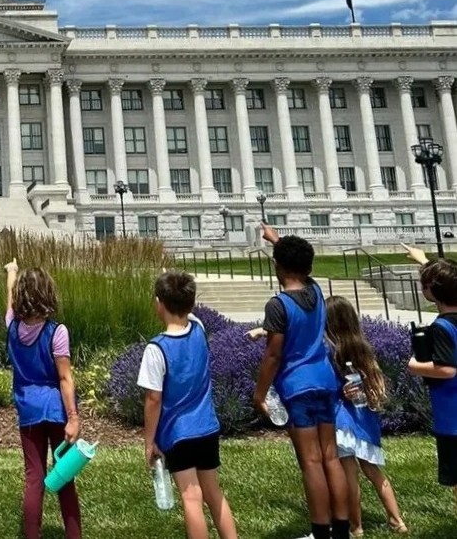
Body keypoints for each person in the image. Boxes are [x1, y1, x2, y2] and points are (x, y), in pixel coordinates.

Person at [254, 225, 349, 539]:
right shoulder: (317, 290)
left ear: (277, 266)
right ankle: (341, 529)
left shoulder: (279, 305)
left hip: (298, 387)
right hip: (325, 381)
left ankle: (320, 531)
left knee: (310, 462)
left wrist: (260, 393)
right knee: (331, 456)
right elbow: (296, 261)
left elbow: (273, 355)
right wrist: (277, 240)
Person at [139, 270, 237, 539]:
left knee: (191, 498)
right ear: (191, 303)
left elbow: (153, 399)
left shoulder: (156, 349)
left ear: (158, 303)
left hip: (178, 434)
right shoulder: (199, 330)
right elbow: (187, 311)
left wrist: (149, 441)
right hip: (207, 427)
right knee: (213, 493)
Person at [3, 259, 82, 539]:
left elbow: (9, 302)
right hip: (57, 412)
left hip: (28, 411)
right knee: (65, 478)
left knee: (33, 478)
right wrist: (73, 417)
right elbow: (64, 379)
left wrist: (11, 273)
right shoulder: (57, 332)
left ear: (20, 297)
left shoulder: (12, 326)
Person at [324, 296, 406, 535]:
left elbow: (331, 387)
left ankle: (356, 526)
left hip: (343, 420)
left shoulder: (332, 351)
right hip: (365, 420)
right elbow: (375, 385)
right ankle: (397, 520)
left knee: (349, 475)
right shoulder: (363, 349)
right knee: (375, 472)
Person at [405, 246, 457, 515]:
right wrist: (424, 260)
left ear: (431, 292)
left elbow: (448, 370)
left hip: (452, 417)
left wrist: (415, 365)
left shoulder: (442, 327)